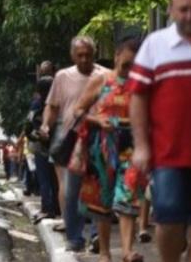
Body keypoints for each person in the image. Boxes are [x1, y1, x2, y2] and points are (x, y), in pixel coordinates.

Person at [127, 0, 191, 262]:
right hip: (168, 155)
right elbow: (137, 97)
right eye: (183, 9)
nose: (190, 15)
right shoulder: (155, 45)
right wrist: (141, 145)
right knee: (168, 218)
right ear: (171, 10)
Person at [67, 36, 144, 262]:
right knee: (102, 199)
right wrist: (98, 120)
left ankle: (128, 251)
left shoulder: (144, 83)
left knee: (128, 195)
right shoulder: (101, 80)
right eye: (126, 65)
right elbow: (78, 110)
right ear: (116, 56)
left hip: (132, 146)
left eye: (136, 66)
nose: (130, 70)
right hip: (102, 146)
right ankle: (105, 252)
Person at [40, 36, 107, 251]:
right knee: (71, 191)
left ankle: (97, 235)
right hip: (71, 138)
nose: (85, 59)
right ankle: (75, 237)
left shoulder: (104, 76)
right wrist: (45, 126)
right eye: (80, 55)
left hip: (99, 137)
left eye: (88, 55)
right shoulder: (62, 76)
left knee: (99, 187)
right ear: (73, 56)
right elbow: (52, 106)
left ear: (94, 54)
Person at [31, 68, 60, 222]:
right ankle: (56, 207)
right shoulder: (59, 103)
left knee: (44, 179)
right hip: (58, 145)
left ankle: (46, 208)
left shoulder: (37, 104)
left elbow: (29, 126)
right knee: (56, 179)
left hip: (42, 147)